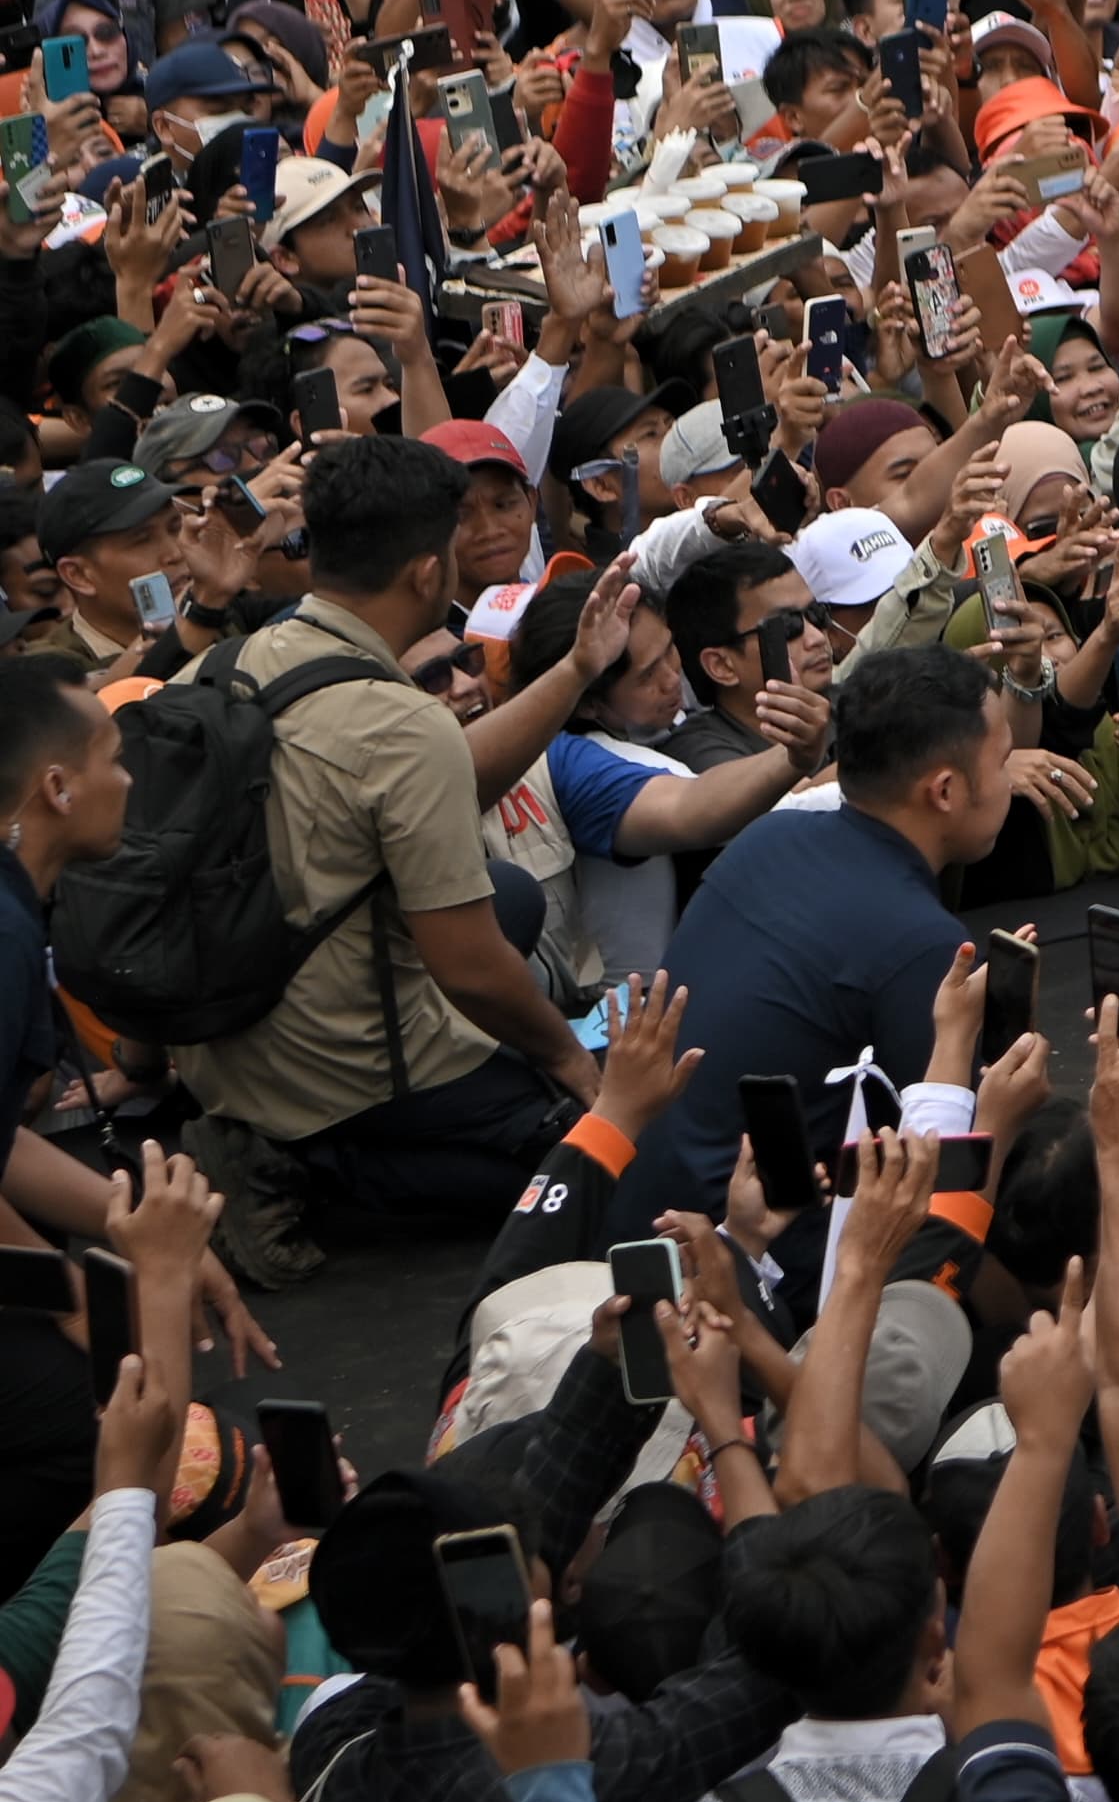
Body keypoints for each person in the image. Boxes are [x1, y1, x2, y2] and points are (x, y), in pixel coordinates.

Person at [178, 437, 598, 1282]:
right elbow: (470, 968)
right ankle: (298, 1171)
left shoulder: (216, 667)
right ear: (425, 571)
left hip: (220, 1031)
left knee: (507, 896)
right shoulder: (403, 727)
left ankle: (269, 1130)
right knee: (579, 1164)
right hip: (341, 1065)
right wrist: (572, 1067)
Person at [619, 647, 1020, 1223]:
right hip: (757, 1263)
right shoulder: (922, 943)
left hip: (639, 1215)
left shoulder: (768, 837)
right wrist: (1014, 1104)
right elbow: (949, 1162)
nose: (1010, 780)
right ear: (946, 792)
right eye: (1003, 761)